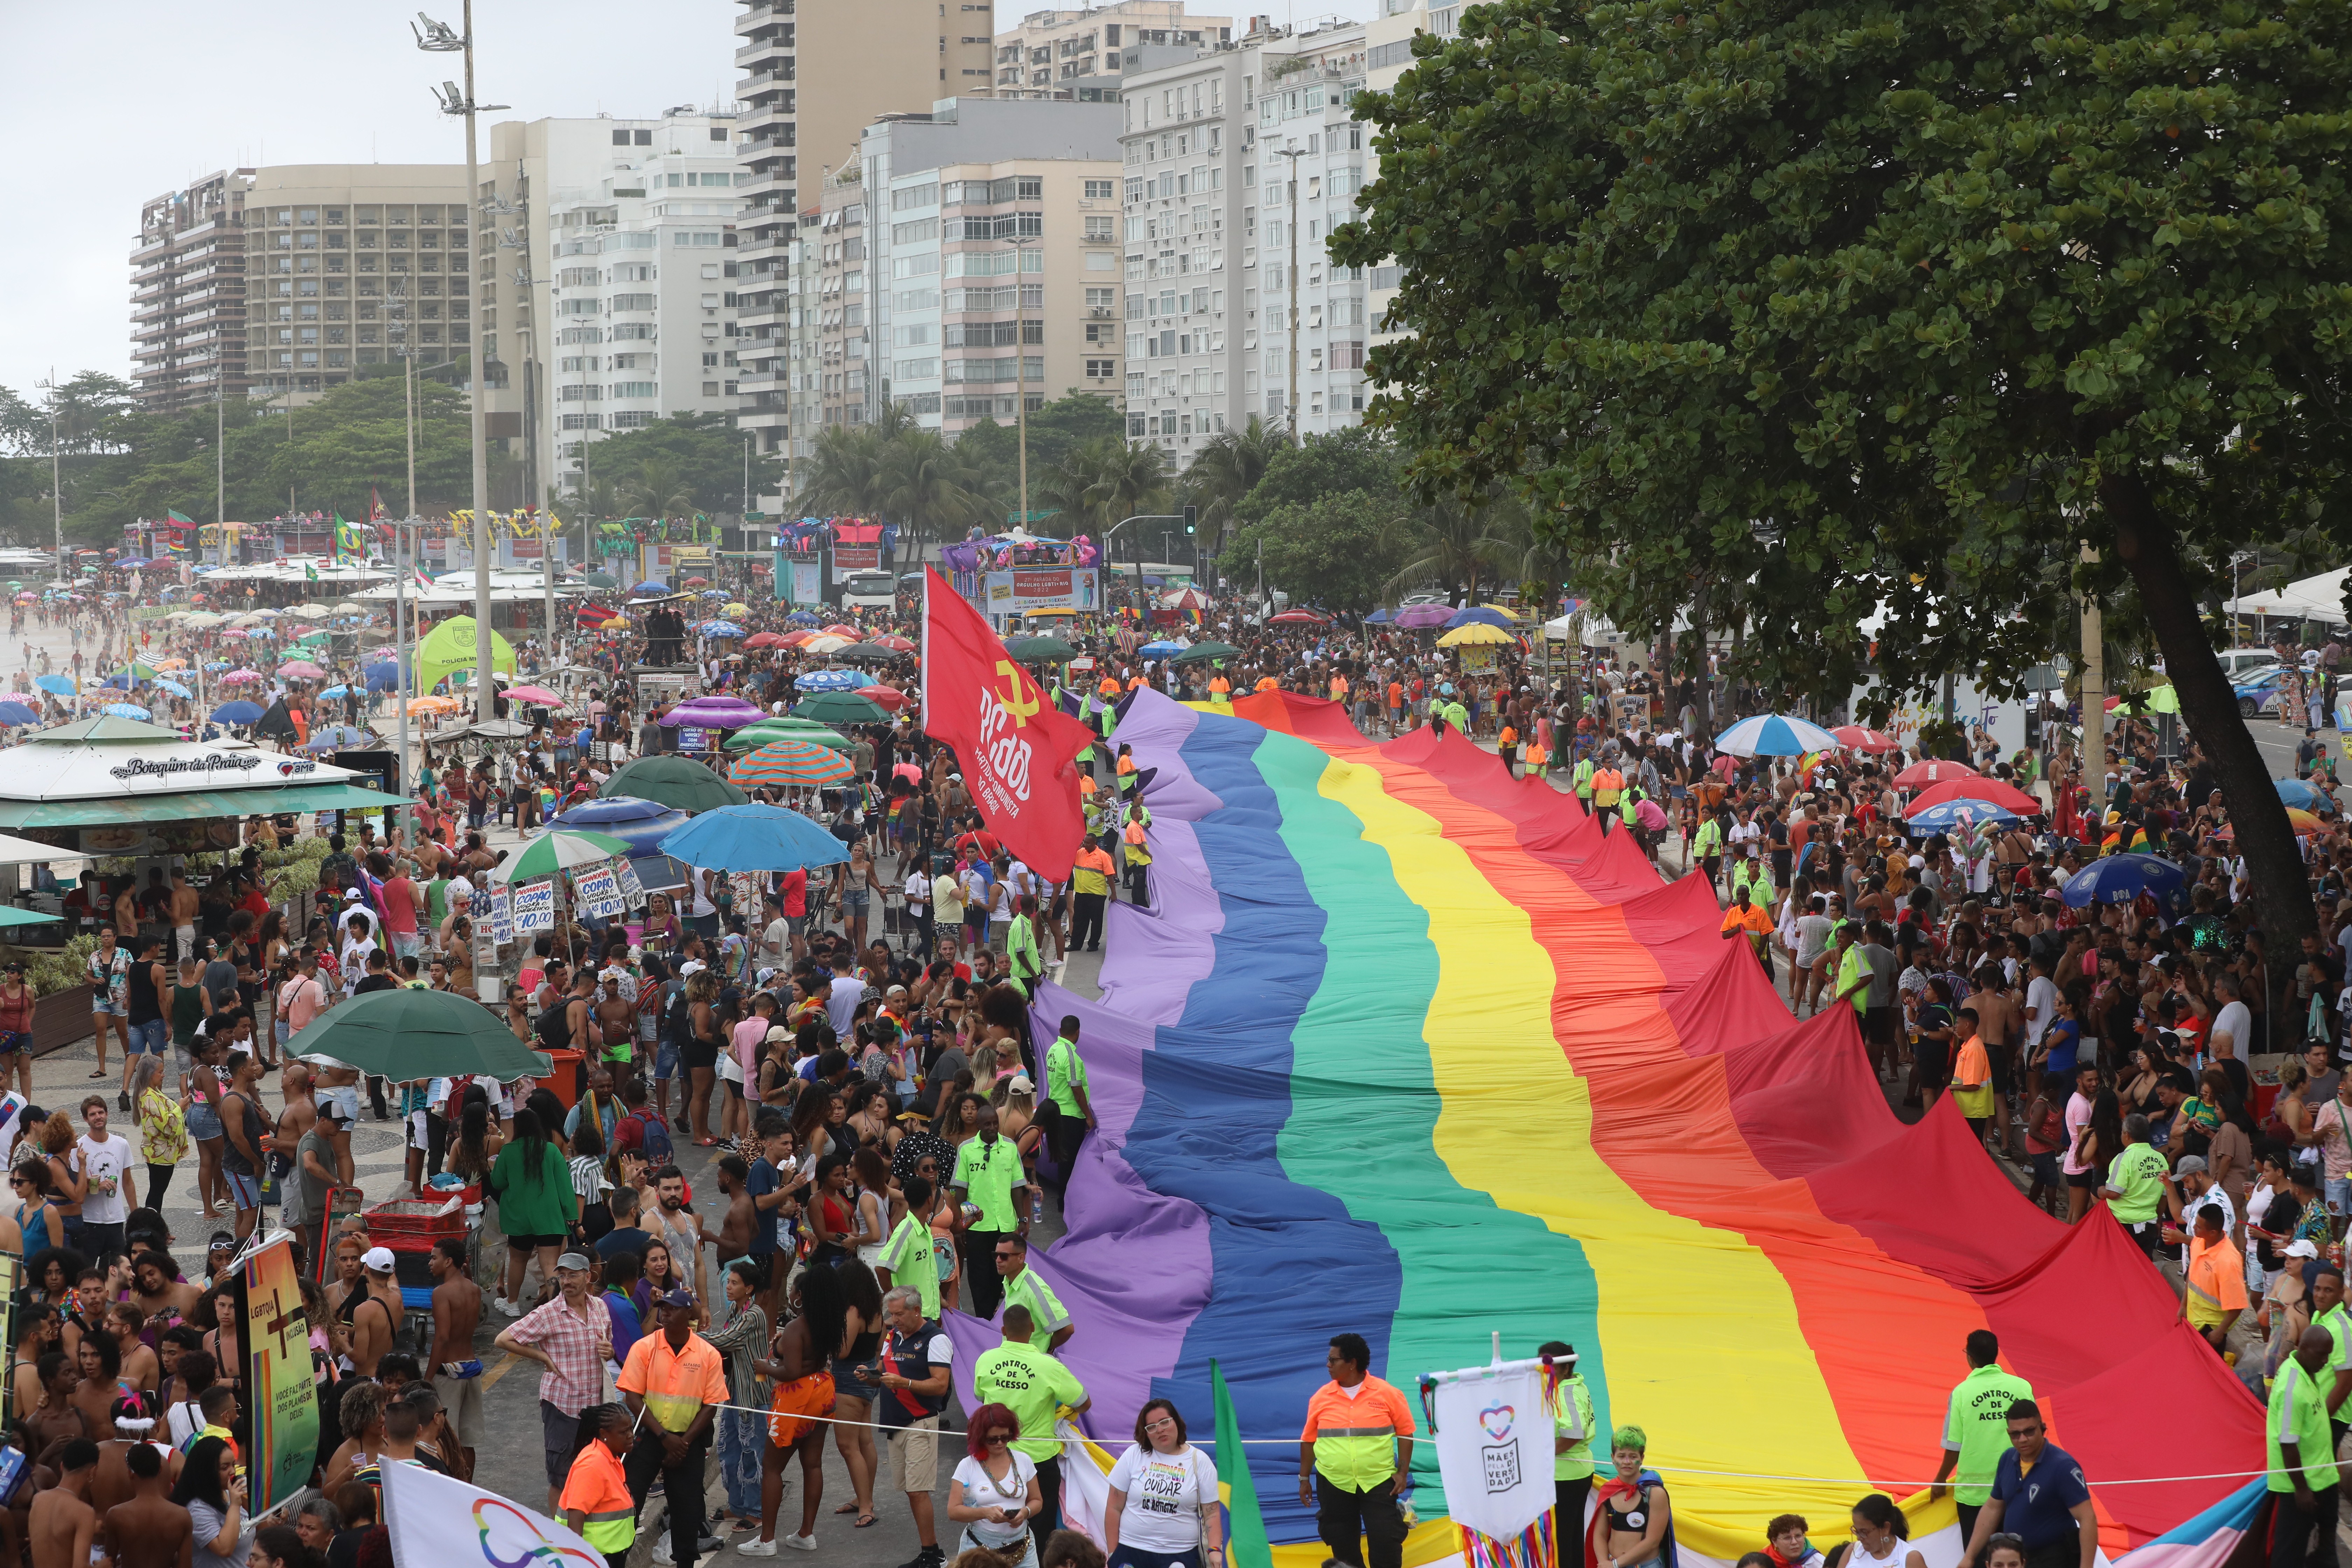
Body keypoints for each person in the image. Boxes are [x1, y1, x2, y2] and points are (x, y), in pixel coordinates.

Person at [493, 1254, 614, 1516]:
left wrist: (609, 1350)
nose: (567, 1281)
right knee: (562, 1476)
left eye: (573, 1275)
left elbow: (608, 1345)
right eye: (562, 1276)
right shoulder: (548, 1313)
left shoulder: (600, 1308)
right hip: (563, 1406)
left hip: (594, 1407)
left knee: (591, 1472)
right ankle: (562, 1540)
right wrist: (542, 1356)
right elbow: (503, 1339)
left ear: (588, 1276)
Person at [616, 1286, 727, 1568]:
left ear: (689, 1314)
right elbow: (632, 1397)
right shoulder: (645, 1348)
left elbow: (711, 1404)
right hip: (651, 1436)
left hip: (687, 1442)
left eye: (673, 1308)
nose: (665, 1313)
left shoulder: (708, 1354)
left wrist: (683, 1442)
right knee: (630, 1503)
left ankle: (686, 1563)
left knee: (687, 1509)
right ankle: (615, 1560)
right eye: (663, 1308)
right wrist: (665, 1437)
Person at [973, 1305, 1091, 1552]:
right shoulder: (1048, 1366)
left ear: (1003, 1330)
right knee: (1039, 1531)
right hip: (1038, 1460)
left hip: (995, 1456)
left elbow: (979, 1395)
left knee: (994, 1528)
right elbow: (1084, 1402)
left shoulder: (985, 1360)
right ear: (1033, 1329)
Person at [1297, 1333, 1415, 1568]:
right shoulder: (1321, 1398)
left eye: (1333, 1360)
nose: (1328, 1365)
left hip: (1379, 1481)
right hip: (1334, 1482)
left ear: (1352, 1363)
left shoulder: (1388, 1394)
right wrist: (1304, 1478)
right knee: (1343, 1549)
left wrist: (1402, 1473)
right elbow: (1308, 1440)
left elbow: (1406, 1433)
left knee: (1386, 1542)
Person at [862, 1285, 954, 1568]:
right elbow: (883, 1370)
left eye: (900, 1314)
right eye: (891, 1314)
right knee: (910, 1490)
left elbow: (940, 1384)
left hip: (920, 1422)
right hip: (896, 1423)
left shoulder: (936, 1340)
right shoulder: (893, 1336)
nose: (894, 1320)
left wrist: (907, 1384)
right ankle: (929, 1552)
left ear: (917, 1311)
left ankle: (933, 1554)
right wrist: (871, 1377)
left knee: (918, 1490)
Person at [1956, 1400, 2095, 1568]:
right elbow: (1992, 1509)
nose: (2022, 1439)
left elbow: (2088, 1518)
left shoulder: (2063, 1467)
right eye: (2015, 1434)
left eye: (2029, 1432)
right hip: (2017, 1560)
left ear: (2042, 1428)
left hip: (2054, 1559)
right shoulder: (2008, 1459)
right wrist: (1969, 1557)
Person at [1931, 1330, 2033, 1546]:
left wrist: (1940, 1479)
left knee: (1978, 1556)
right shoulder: (2022, 1387)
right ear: (1996, 1354)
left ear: (1970, 1357)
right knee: (2018, 1555)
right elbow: (2037, 1436)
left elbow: (1954, 1445)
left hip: (1974, 1492)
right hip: (2018, 1488)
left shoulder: (1962, 1393)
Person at [1104, 1397, 1221, 1568]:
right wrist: (1113, 1554)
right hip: (1130, 1552)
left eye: (1165, 1422)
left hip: (1180, 1555)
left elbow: (1212, 1514)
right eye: (1151, 1427)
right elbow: (1114, 1507)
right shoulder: (1133, 1455)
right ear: (1145, 1433)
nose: (1160, 1430)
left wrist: (1215, 1550)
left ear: (1177, 1422)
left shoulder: (1200, 1461)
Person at [2267, 1325, 2343, 1568]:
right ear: (2305, 1349)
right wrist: (2301, 1489)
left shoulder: (2307, 1370)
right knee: (2290, 1552)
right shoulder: (2292, 1388)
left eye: (2329, 1355)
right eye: (2322, 1355)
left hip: (2322, 1477)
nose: (2326, 1361)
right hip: (2301, 1486)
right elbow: (2288, 1444)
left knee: (2326, 1541)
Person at [949, 1403, 1044, 1568]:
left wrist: (1025, 1512)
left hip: (1023, 1544)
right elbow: (953, 1511)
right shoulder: (968, 1466)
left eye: (1005, 1437)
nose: (1000, 1443)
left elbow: (1037, 1501)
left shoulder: (1024, 1461)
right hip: (979, 1549)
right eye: (992, 1440)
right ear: (980, 1437)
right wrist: (985, 1513)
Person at [427, 1238, 485, 1475]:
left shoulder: (442, 1293)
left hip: (448, 1373)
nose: (430, 1263)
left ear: (449, 1261)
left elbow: (442, 1338)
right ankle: (466, 1488)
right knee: (467, 1440)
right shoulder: (475, 1290)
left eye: (434, 1258)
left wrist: (428, 1379)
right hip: (472, 1369)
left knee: (446, 1438)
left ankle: (450, 1487)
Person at [560, 1404, 639, 1568]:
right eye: (624, 1432)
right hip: (596, 1557)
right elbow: (576, 1513)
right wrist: (578, 1559)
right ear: (604, 1434)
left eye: (631, 1429)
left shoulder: (609, 1457)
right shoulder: (592, 1465)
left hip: (609, 1553)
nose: (631, 1436)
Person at [102, 1441, 192, 1568]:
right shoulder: (182, 1516)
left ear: (130, 1474)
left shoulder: (116, 1515)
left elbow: (108, 1562)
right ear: (160, 1470)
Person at [1540, 1340, 1597, 1540]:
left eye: (1551, 1366)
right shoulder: (1576, 1386)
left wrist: (1543, 1454)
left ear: (1566, 1368)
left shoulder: (1566, 1392)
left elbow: (1573, 1434)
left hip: (1566, 1477)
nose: (1545, 1371)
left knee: (1560, 1541)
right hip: (1578, 1471)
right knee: (1571, 1538)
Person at [1591, 1428, 1670, 1568]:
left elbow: (1653, 1541)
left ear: (1642, 1459)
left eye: (1633, 1457)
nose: (1627, 1462)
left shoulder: (1655, 1493)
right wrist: (1604, 1562)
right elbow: (1600, 1534)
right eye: (1621, 1456)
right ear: (1612, 1458)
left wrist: (1615, 1565)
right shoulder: (1608, 1490)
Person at [174, 1435, 250, 1568]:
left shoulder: (227, 1492)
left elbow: (261, 1527)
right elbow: (224, 1549)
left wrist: (275, 1515)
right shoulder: (196, 1509)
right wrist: (235, 1505)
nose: (233, 1471)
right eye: (225, 1468)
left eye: (234, 1464)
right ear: (207, 1472)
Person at [995, 1234, 1073, 1353]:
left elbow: (1067, 1329)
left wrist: (1046, 1350)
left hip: (1033, 1365)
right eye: (996, 1255)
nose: (998, 1260)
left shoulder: (1035, 1289)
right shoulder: (1009, 1281)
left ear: (1021, 1258)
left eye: (1004, 1256)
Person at [31, 1438, 101, 1568]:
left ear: (62, 1466)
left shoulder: (38, 1499)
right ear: (93, 1471)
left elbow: (56, 1539)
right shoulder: (84, 1513)